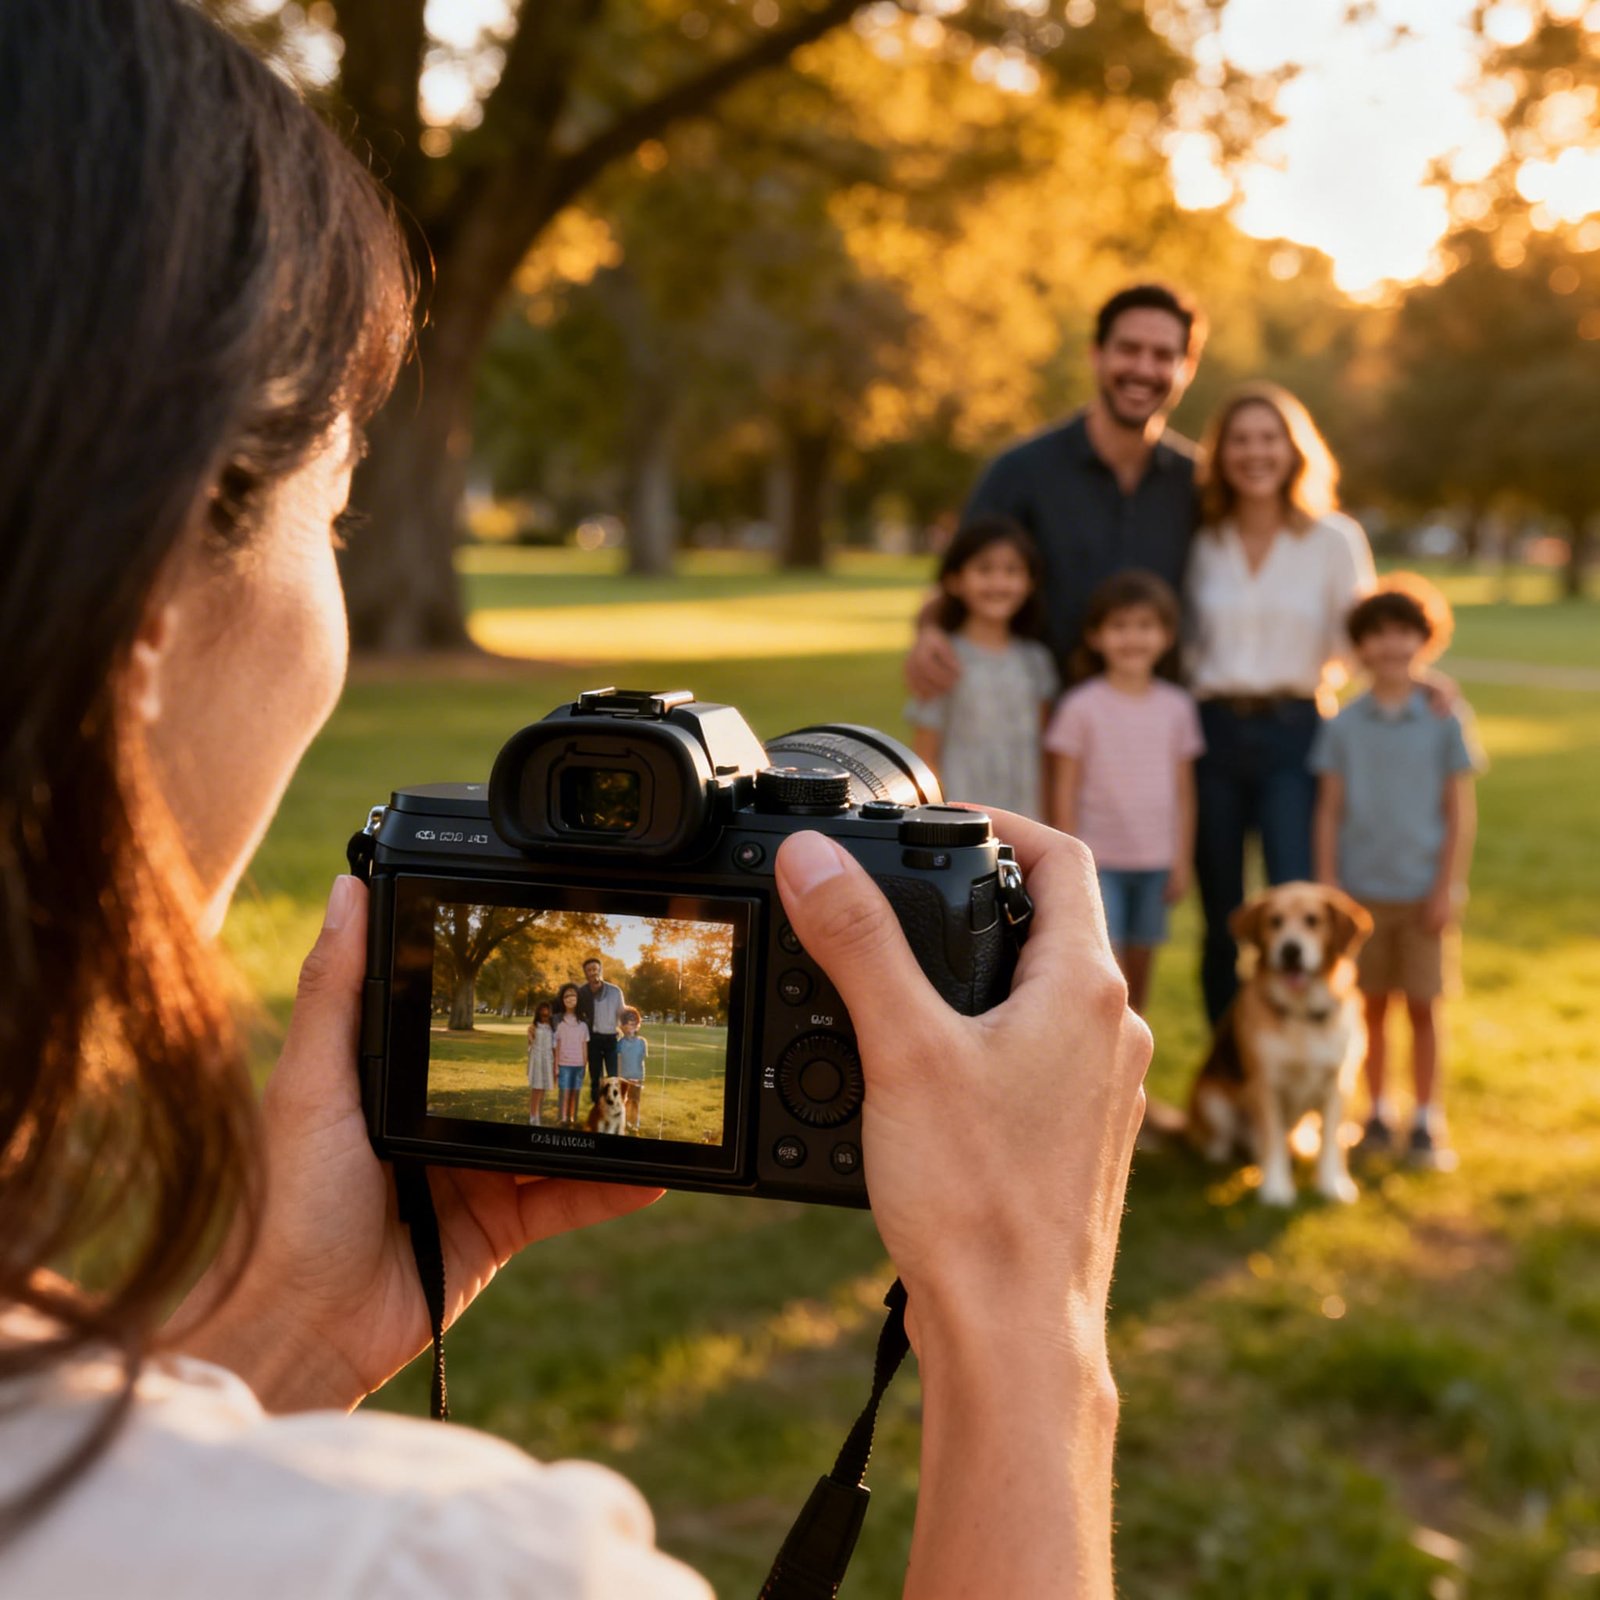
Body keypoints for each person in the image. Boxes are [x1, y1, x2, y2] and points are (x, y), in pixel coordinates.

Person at [1, 3, 1151, 1594]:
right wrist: (1027, 1310)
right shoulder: (431, 1561)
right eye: (334, 519)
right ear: (137, 623)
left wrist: (287, 1333)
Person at [905, 282, 1204, 700]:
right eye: (1129, 349)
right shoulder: (1020, 470)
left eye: (1162, 355)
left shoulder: (1203, 484)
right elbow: (955, 580)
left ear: (1186, 369)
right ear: (1096, 354)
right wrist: (929, 631)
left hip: (1162, 737)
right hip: (1038, 724)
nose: (1143, 368)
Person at [1185, 381, 1377, 1025]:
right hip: (1209, 733)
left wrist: (1421, 680)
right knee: (1223, 916)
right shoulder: (1198, 538)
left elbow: (1367, 637)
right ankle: (1233, 1066)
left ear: (1295, 450)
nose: (1255, 452)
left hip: (1297, 733)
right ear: (1221, 454)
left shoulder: (1333, 539)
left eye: (1269, 438)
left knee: (1301, 907)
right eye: (1240, 440)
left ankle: (1303, 1071)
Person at [1311, 577, 1484, 1171]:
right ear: (1360, 646)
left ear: (1425, 639)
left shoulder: (1444, 717)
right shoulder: (1343, 724)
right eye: (1378, 635)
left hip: (1422, 894)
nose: (1391, 646)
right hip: (1360, 893)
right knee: (1371, 1007)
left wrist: (1446, 889)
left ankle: (1427, 1121)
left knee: (1424, 1007)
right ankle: (1378, 1113)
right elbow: (1328, 810)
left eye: (1404, 633)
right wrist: (1331, 886)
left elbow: (1460, 812)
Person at [1046, 571, 1203, 1015]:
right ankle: (1105, 1074)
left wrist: (1181, 859)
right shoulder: (1081, 706)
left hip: (1155, 863)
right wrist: (1071, 863)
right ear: (1096, 636)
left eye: (1145, 626)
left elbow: (1184, 791)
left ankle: (1137, 1076)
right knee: (1107, 981)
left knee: (1141, 975)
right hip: (1100, 864)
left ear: (1167, 636)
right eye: (1119, 626)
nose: (1132, 638)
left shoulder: (1178, 707)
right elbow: (1065, 789)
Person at [904, 515, 1060, 819]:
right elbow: (925, 754)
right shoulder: (942, 658)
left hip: (1025, 819)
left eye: (1012, 570)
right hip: (959, 821)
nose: (999, 582)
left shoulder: (1036, 660)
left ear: (1030, 581)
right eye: (985, 569)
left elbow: (1043, 753)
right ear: (955, 580)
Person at [576, 955, 625, 1106]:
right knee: (595, 1075)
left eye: (595, 969)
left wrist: (628, 1029)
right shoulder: (582, 992)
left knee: (613, 1075)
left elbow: (622, 1013)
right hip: (593, 1039)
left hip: (611, 1038)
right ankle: (597, 1105)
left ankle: (613, 1104)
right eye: (589, 970)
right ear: (585, 973)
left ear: (600, 970)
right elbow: (570, 1010)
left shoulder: (615, 991)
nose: (592, 972)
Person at [552, 985, 591, 1129]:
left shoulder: (583, 1024)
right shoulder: (560, 1023)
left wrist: (585, 1064)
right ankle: (563, 1118)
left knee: (575, 1092)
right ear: (562, 1000)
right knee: (565, 1091)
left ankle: (572, 1118)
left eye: (573, 995)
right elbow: (557, 1046)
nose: (570, 998)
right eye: (566, 996)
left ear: (578, 999)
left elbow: (584, 1046)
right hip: (564, 1063)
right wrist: (556, 1065)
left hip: (579, 1064)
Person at [616, 1008, 648, 1134]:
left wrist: (640, 1077)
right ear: (623, 1026)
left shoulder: (642, 1042)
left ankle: (634, 1123)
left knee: (635, 1101)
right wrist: (618, 1076)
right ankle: (623, 1122)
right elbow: (618, 1060)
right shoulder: (620, 1043)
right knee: (624, 1101)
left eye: (634, 1024)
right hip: (623, 1077)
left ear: (638, 1025)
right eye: (628, 1024)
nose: (631, 1027)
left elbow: (641, 1060)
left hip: (637, 1077)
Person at [526, 1000, 555, 1126]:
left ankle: (537, 1113)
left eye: (547, 1012)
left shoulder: (552, 1028)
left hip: (548, 1059)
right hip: (537, 1059)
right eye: (542, 1012)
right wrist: (530, 1037)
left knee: (543, 1088)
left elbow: (554, 1045)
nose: (545, 1014)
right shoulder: (534, 1027)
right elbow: (530, 1044)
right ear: (538, 1013)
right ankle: (533, 1115)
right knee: (536, 1088)